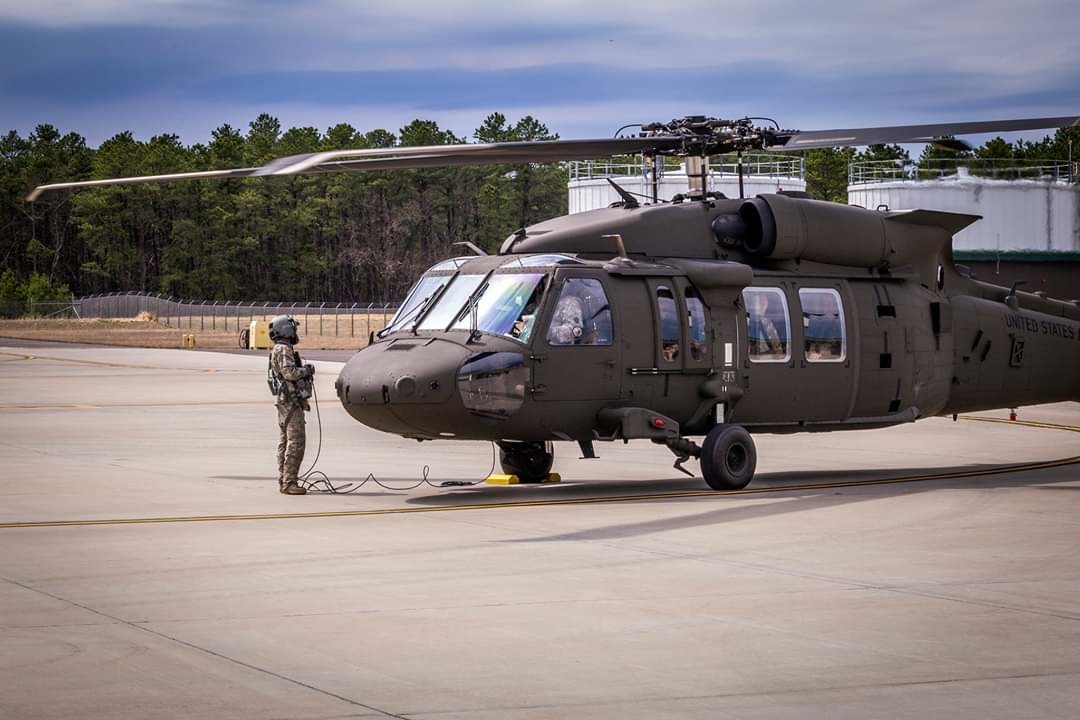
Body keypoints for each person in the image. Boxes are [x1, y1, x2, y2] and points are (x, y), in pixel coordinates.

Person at [267, 315, 314, 495]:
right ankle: (289, 482)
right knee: (296, 441)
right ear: (286, 329)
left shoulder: (278, 348)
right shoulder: (284, 349)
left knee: (285, 441)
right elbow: (289, 373)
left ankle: (284, 479)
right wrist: (306, 370)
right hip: (290, 402)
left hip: (284, 401)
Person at [748, 292, 783, 358]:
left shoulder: (767, 323)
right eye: (760, 303)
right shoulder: (745, 324)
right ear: (752, 305)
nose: (763, 306)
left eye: (765, 303)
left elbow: (779, 352)